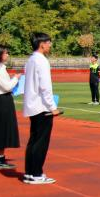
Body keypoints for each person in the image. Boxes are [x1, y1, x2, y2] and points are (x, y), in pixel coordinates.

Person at [22, 33, 60, 185]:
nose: (50, 45)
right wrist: (52, 107)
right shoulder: (42, 61)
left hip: (32, 105)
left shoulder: (31, 60)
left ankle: (30, 172)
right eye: (48, 42)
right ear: (42, 44)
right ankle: (36, 174)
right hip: (42, 106)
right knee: (41, 142)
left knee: (33, 140)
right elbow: (45, 86)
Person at [0, 45, 20, 170]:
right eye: (5, 53)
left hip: (0, 100)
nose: (7, 55)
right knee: (2, 130)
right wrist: (16, 79)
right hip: (3, 101)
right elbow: (7, 87)